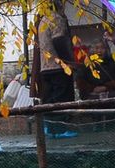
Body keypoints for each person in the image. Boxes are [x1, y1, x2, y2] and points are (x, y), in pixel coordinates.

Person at [33, 0, 78, 138]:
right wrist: (68, 62)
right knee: (61, 98)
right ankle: (60, 130)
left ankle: (50, 129)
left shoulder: (42, 20)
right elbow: (59, 41)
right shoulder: (56, 19)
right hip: (58, 66)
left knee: (48, 99)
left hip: (45, 67)